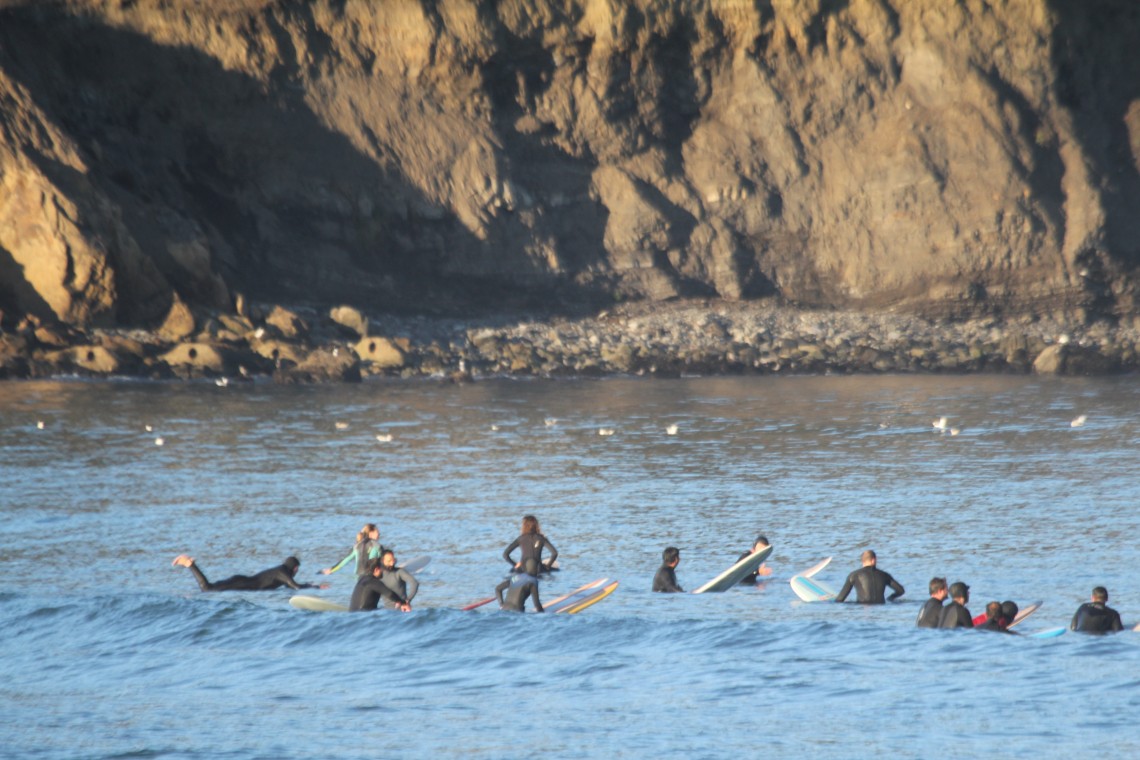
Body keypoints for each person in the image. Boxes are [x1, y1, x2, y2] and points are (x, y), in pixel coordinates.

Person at [172, 554, 327, 592]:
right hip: (244, 584)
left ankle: (190, 564)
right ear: (295, 568)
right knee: (207, 589)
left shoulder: (281, 571)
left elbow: (288, 587)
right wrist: (315, 587)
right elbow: (296, 587)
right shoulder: (282, 572)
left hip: (243, 581)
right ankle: (190, 564)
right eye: (297, 571)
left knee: (209, 588)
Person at [834, 550, 905, 603]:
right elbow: (901, 590)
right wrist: (890, 598)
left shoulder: (853, 575)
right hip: (881, 607)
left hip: (860, 607)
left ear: (862, 561)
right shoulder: (884, 575)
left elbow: (840, 599)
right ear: (874, 560)